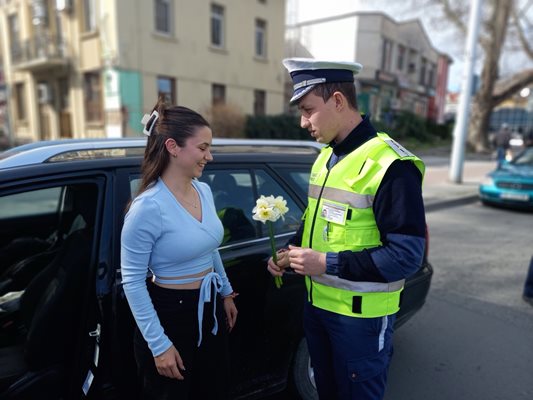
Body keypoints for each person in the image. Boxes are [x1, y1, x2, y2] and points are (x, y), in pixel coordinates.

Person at [267, 58, 426, 400]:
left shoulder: (391, 166)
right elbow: (315, 217)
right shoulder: (327, 157)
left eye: (308, 110)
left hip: (361, 321)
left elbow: (406, 257)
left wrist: (325, 264)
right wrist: (289, 251)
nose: (302, 121)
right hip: (319, 308)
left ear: (338, 101)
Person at [121, 100, 238, 399]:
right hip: (170, 316)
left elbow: (209, 247)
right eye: (202, 148)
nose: (209, 156)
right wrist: (159, 345)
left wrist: (224, 291)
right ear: (173, 147)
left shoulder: (204, 190)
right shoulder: (147, 208)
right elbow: (133, 282)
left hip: (209, 308)